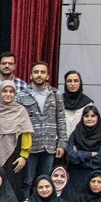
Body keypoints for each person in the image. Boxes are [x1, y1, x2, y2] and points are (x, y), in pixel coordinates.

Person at [16, 62, 68, 190]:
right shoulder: (21, 95)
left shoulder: (55, 94)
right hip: (30, 146)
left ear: (48, 76)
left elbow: (61, 119)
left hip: (49, 145)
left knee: (45, 180)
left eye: (42, 72)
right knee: (27, 181)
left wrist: (62, 143)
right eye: (36, 72)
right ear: (30, 75)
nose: (39, 75)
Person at [0, 81, 34, 196]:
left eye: (11, 91)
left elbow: (26, 134)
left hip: (15, 156)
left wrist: (24, 156)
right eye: (5, 91)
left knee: (14, 185)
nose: (8, 94)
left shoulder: (20, 111)